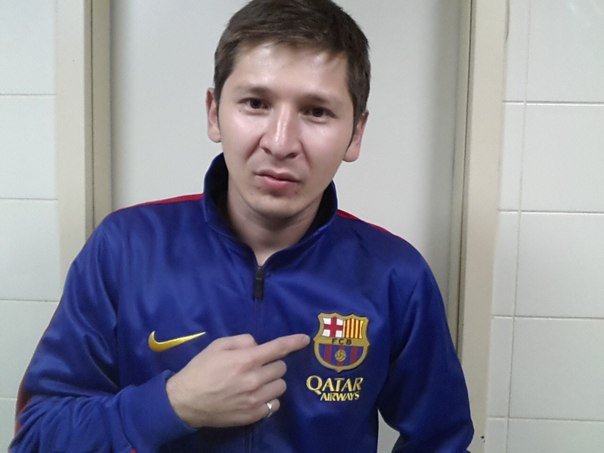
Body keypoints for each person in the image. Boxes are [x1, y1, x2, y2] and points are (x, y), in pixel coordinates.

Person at [11, 0, 473, 451]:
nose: (280, 142)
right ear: (214, 113)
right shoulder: (125, 248)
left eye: (316, 111)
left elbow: (442, 442)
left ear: (355, 134)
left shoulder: (396, 276)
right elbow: (37, 438)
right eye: (256, 103)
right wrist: (172, 404)